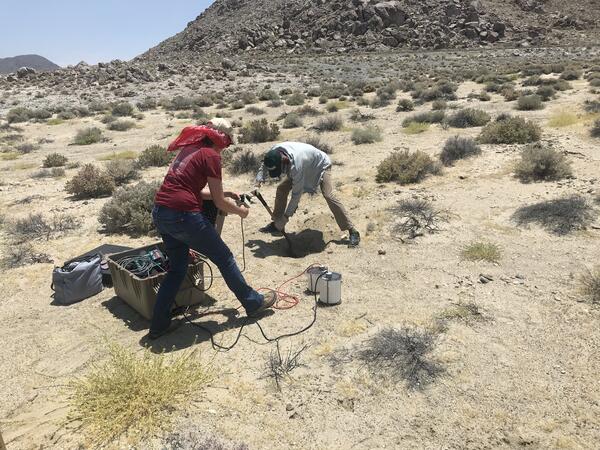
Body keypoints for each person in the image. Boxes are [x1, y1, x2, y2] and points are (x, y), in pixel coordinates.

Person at [148, 119, 276, 340]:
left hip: (162, 213)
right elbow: (217, 203)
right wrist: (240, 211)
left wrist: (226, 194)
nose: (224, 148)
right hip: (183, 216)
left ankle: (158, 325)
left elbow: (190, 189)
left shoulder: (190, 149)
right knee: (224, 257)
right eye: (226, 143)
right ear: (221, 139)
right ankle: (253, 303)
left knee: (177, 270)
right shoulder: (211, 155)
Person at [256, 141, 360, 247]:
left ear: (283, 161)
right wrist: (260, 178)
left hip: (320, 166)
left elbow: (296, 195)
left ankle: (352, 230)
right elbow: (265, 163)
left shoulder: (296, 165)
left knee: (328, 195)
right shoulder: (274, 152)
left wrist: (286, 217)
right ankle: (276, 224)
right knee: (281, 189)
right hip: (305, 166)